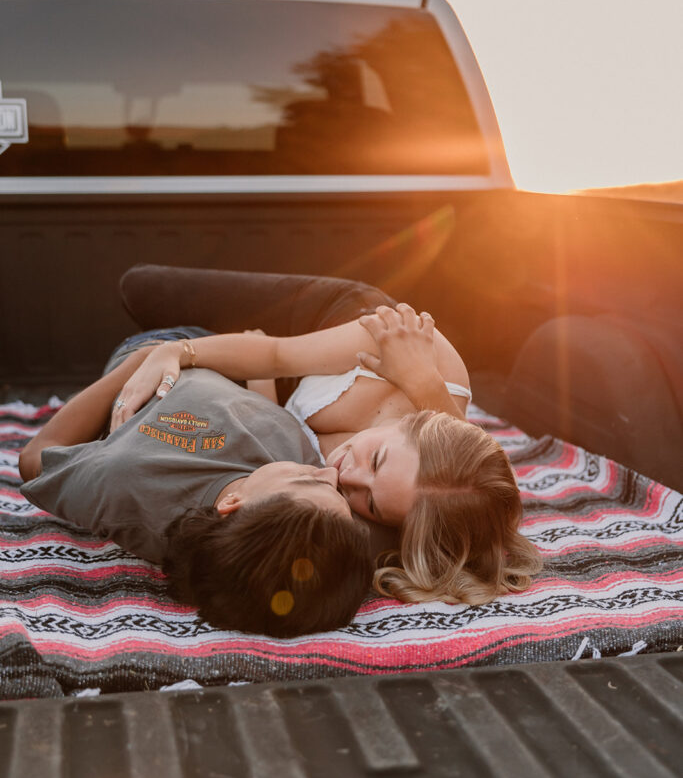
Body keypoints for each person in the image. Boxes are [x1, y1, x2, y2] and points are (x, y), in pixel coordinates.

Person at [111, 266, 543, 606]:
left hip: (272, 385)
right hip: (315, 323)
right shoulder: (402, 348)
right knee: (140, 287)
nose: (345, 476)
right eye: (375, 461)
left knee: (146, 329)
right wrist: (173, 352)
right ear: (416, 421)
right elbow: (275, 353)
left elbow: (478, 508)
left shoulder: (419, 497)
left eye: (370, 503)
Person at [18, 333, 374, 637]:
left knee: (139, 283)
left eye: (308, 479)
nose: (331, 474)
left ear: (232, 503)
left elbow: (34, 459)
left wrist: (148, 356)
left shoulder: (126, 484)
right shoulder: (305, 515)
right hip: (244, 355)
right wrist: (257, 366)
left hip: (153, 347)